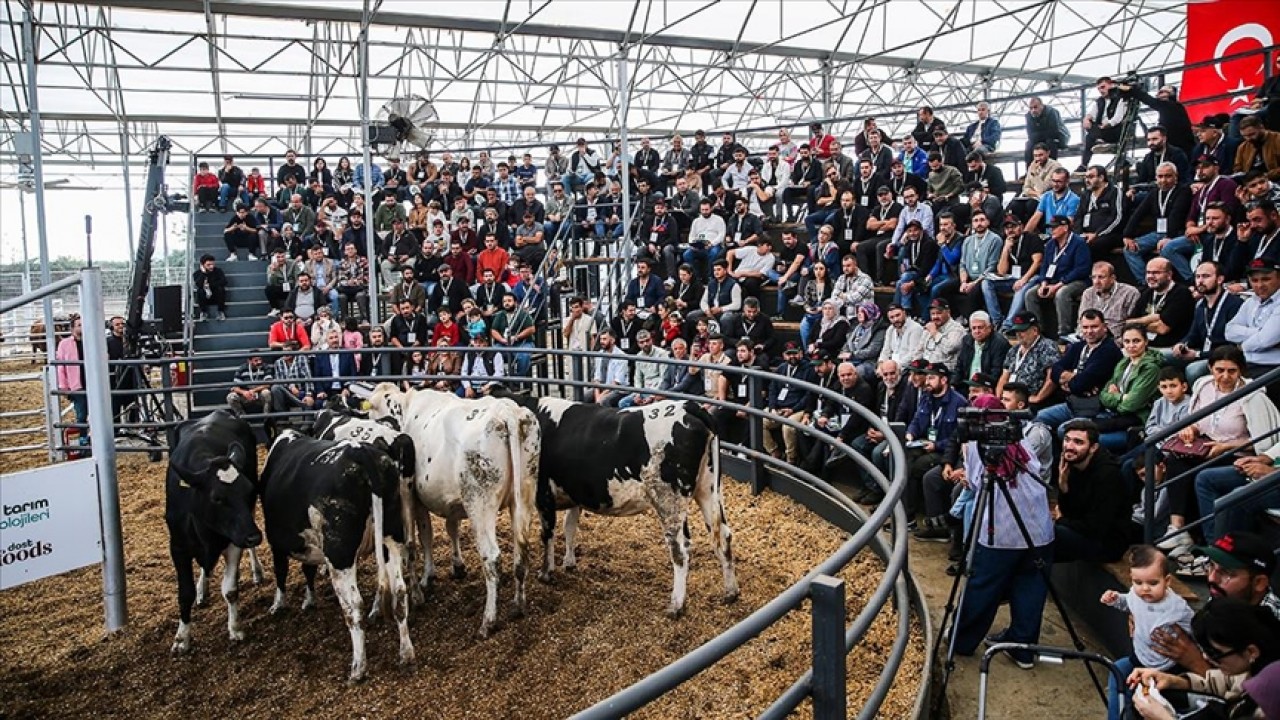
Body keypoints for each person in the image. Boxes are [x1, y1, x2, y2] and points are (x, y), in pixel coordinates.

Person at [949, 414, 1052, 671]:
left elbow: (975, 482)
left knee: (983, 585)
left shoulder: (977, 443)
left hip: (1001, 531)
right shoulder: (1019, 440)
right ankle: (1023, 648)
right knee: (1031, 586)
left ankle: (962, 641)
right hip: (1038, 530)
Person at [1160, 345, 1280, 553]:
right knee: (1175, 461)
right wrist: (1192, 429)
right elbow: (1198, 420)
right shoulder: (1203, 385)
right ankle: (1179, 530)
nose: (1224, 376)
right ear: (1210, 368)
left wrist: (1227, 446)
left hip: (1238, 453)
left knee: (1203, 476)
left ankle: (1212, 546)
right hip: (1206, 447)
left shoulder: (1254, 397)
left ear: (1241, 370)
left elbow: (1264, 442)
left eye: (1231, 371)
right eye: (1219, 370)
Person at [1129, 597, 1280, 720]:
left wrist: (1163, 718)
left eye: (1215, 653)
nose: (1205, 657)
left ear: (1251, 652)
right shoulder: (1251, 666)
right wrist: (1175, 682)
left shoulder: (1270, 693)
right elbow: (1227, 683)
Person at [1100, 545, 1196, 720]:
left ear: (1167, 581)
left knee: (1150, 702)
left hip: (1167, 666)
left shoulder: (1176, 607)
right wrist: (1115, 599)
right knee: (1118, 673)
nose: (1145, 589)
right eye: (1138, 582)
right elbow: (1127, 603)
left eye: (1153, 583)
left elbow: (1195, 626)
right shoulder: (1136, 594)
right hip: (1139, 657)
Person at [1055, 419, 1133, 563]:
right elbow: (1068, 511)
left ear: (1093, 447)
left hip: (1107, 544)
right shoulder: (1071, 464)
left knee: (1051, 535)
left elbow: (1094, 528)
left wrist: (1062, 520)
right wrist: (1063, 486)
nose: (1069, 446)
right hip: (1082, 531)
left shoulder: (1108, 475)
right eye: (1067, 440)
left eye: (1078, 442)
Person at [903, 362, 967, 523]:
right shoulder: (926, 397)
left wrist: (937, 445)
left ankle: (910, 515)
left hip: (943, 450)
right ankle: (903, 511)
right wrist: (910, 433)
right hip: (924, 443)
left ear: (944, 380)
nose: (927, 382)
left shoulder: (959, 402)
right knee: (902, 458)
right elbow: (917, 420)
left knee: (914, 467)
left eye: (932, 378)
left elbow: (957, 438)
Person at [1171, 261, 1245, 383]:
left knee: (1193, 370)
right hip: (1202, 352)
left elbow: (1232, 347)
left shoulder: (1235, 304)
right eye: (1197, 276)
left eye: (1206, 276)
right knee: (1160, 356)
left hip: (1224, 357)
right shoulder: (1200, 305)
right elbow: (1193, 335)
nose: (1200, 281)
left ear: (1220, 279)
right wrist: (1182, 344)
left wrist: (1198, 355)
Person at [1019, 215, 1090, 339]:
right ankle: (1037, 331)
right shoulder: (1051, 244)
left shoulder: (1079, 243)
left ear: (1065, 228)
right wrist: (1044, 283)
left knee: (1062, 293)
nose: (1052, 230)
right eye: (1051, 228)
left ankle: (1064, 333)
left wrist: (1059, 284)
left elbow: (1081, 269)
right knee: (1030, 294)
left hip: (1076, 281)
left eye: (1055, 227)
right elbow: (1045, 266)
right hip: (1053, 281)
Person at [1225, 258, 1280, 385]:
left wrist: (1241, 347)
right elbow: (1229, 331)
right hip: (1247, 364)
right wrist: (1260, 332)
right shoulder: (1251, 301)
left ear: (1279, 278)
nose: (1259, 285)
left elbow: (1265, 340)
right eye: (1254, 280)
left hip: (1273, 368)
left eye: (1266, 279)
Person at [762, 342, 818, 464]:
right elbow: (772, 389)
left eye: (795, 353)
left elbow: (809, 395)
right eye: (789, 354)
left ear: (801, 353)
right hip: (779, 407)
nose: (792, 356)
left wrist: (793, 409)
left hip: (798, 409)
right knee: (758, 419)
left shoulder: (809, 369)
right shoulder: (781, 368)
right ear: (784, 355)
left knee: (788, 427)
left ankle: (791, 459)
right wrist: (772, 407)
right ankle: (774, 452)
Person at [1130, 257, 1196, 350]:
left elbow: (1162, 328)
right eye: (1148, 272)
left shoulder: (1181, 293)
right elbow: (1129, 323)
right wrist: (1149, 319)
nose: (1150, 276)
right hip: (1145, 345)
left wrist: (1139, 324)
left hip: (1170, 347)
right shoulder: (1147, 293)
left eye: (1156, 273)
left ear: (1169, 274)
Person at [1080, 77, 1133, 169]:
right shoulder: (1100, 101)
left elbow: (1118, 118)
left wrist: (1107, 125)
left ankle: (1100, 140)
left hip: (1115, 130)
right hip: (1101, 130)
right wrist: (1086, 119)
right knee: (1089, 135)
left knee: (1091, 136)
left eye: (1103, 87)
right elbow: (1092, 114)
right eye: (1099, 88)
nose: (1101, 90)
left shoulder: (1121, 98)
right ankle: (1084, 164)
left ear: (1111, 85)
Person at [54, 315, 88, 445]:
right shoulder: (64, 344)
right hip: (76, 384)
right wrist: (63, 386)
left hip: (92, 383)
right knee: (81, 414)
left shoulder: (91, 341)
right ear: (72, 328)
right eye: (79, 325)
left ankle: (94, 439)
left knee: (96, 413)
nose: (82, 327)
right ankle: (83, 439)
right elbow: (60, 366)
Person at [270, 340, 314, 414]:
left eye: (288, 351)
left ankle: (307, 422)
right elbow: (279, 381)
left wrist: (308, 394)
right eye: (284, 351)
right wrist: (291, 387)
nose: (285, 353)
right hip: (286, 392)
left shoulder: (301, 359)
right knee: (275, 388)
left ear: (294, 351)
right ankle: (283, 419)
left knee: (308, 399)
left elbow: (308, 377)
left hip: (301, 391)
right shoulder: (278, 362)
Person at [226, 351, 272, 417]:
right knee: (231, 397)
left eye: (260, 359)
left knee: (266, 393)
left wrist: (254, 390)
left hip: (259, 394)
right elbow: (235, 387)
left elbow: (268, 383)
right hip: (245, 396)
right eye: (256, 360)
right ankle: (243, 419)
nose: (259, 362)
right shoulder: (242, 368)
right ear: (249, 361)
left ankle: (267, 418)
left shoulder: (265, 367)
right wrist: (244, 392)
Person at [458, 333, 505, 398]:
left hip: (488, 384)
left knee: (501, 396)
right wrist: (467, 387)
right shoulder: (468, 354)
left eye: (481, 342)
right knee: (457, 396)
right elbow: (464, 372)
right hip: (472, 384)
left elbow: (499, 373)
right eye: (476, 342)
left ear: (486, 343)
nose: (478, 344)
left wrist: (489, 385)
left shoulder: (496, 354)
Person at [591, 328, 630, 406]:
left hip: (618, 389)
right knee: (584, 396)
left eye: (604, 339)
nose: (602, 342)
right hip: (602, 387)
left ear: (612, 340)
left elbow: (617, 382)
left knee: (605, 401)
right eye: (601, 339)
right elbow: (596, 378)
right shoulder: (599, 354)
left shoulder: (621, 356)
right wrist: (597, 395)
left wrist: (601, 396)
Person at [191, 254, 228, 322]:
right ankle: (203, 313)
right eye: (208, 265)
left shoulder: (218, 271)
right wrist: (203, 273)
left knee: (220, 289)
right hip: (204, 297)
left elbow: (224, 282)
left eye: (212, 264)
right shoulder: (197, 273)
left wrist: (210, 285)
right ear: (202, 265)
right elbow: (198, 284)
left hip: (215, 295)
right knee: (200, 291)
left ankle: (220, 312)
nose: (211, 266)